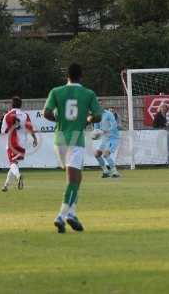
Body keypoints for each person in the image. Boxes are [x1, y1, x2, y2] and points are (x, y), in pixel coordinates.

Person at [43, 63, 103, 234]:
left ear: (66, 76)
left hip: (59, 138)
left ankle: (72, 213)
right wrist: (88, 119)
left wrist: (60, 120)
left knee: (77, 178)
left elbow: (46, 113)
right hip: (76, 138)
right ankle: (62, 216)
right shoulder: (88, 93)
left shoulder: (56, 91)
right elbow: (98, 115)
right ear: (81, 76)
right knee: (73, 181)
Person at [1, 96, 38, 192]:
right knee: (15, 163)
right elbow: (30, 128)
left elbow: (3, 131)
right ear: (21, 105)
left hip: (12, 142)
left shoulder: (7, 115)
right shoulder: (25, 115)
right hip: (22, 143)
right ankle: (6, 186)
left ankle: (19, 176)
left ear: (11, 104)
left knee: (12, 163)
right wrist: (34, 138)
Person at [93, 108, 121, 178]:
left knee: (106, 154)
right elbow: (97, 129)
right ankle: (106, 172)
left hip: (113, 138)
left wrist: (106, 131)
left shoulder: (109, 114)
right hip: (105, 139)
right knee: (97, 154)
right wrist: (95, 135)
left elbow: (114, 125)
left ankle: (115, 172)